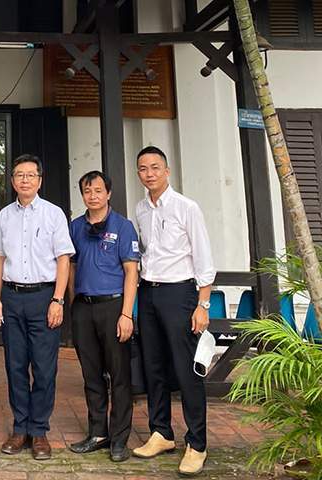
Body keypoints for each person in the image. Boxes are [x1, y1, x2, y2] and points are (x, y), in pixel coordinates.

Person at [131, 146, 215, 476]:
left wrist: (202, 304)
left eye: (155, 167)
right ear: (138, 174)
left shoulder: (186, 207)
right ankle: (161, 432)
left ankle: (197, 443)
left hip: (180, 294)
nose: (149, 173)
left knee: (186, 370)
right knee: (153, 366)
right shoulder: (140, 208)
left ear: (167, 171)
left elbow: (203, 257)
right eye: (142, 168)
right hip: (148, 294)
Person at [0, 154, 75, 461]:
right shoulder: (4, 216)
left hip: (44, 298)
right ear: (12, 181)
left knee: (44, 367)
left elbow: (63, 258)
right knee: (15, 366)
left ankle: (39, 430)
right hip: (12, 297)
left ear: (39, 180)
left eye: (30, 175)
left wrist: (58, 300)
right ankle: (20, 428)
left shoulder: (53, 214)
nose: (24, 180)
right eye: (19, 175)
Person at [66, 170, 139, 462]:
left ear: (108, 194)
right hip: (83, 307)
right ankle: (98, 433)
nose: (92, 196)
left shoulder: (123, 227)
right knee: (91, 374)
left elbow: (131, 271)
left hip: (114, 307)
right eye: (87, 191)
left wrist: (126, 315)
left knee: (119, 374)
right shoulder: (75, 227)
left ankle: (119, 439)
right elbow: (70, 267)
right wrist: (73, 304)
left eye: (98, 190)